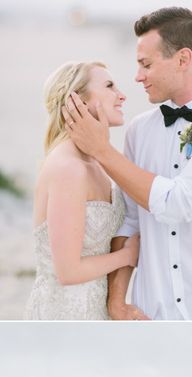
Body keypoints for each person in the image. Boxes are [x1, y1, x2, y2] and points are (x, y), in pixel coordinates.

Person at [63, 7, 192, 321]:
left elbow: (177, 203)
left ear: (183, 59)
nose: (137, 76)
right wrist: (117, 301)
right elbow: (129, 221)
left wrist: (102, 150)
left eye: (146, 65)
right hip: (150, 312)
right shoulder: (139, 130)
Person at [25, 62, 139, 321]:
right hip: (64, 313)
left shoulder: (95, 162)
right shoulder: (69, 168)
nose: (122, 95)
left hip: (95, 311)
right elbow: (68, 271)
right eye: (109, 86)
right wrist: (126, 255)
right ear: (77, 101)